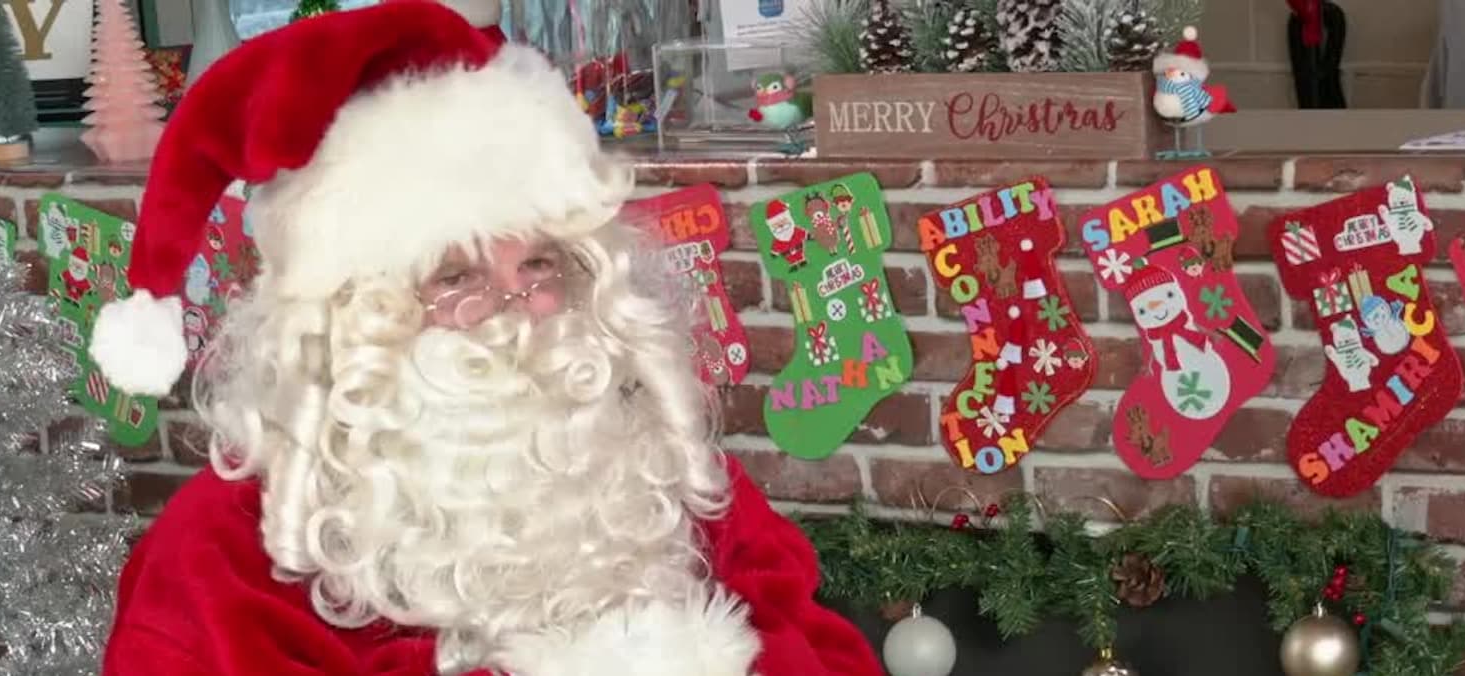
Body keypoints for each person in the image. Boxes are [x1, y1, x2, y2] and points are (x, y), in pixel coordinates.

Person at [83, 2, 881, 675]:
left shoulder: (651, 468)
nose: (514, 309)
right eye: (454, 277)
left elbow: (819, 646)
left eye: (539, 264)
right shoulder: (218, 559)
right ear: (347, 319)